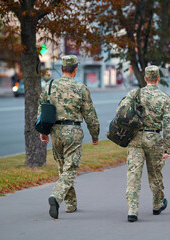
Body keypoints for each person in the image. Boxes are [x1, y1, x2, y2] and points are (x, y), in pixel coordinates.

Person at [37, 55, 100, 219]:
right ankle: (56, 197)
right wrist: (95, 134)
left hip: (55, 131)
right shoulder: (81, 87)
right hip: (73, 131)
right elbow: (90, 115)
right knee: (70, 169)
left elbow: (42, 109)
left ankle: (71, 204)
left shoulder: (50, 85)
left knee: (63, 168)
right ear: (75, 69)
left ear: (62, 68)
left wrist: (43, 132)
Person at [122, 65, 170, 222]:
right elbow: (169, 125)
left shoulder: (134, 93)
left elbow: (121, 110)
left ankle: (132, 210)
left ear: (145, 78)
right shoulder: (165, 98)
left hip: (135, 138)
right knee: (155, 173)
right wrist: (168, 148)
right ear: (158, 78)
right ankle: (157, 204)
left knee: (133, 175)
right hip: (154, 139)